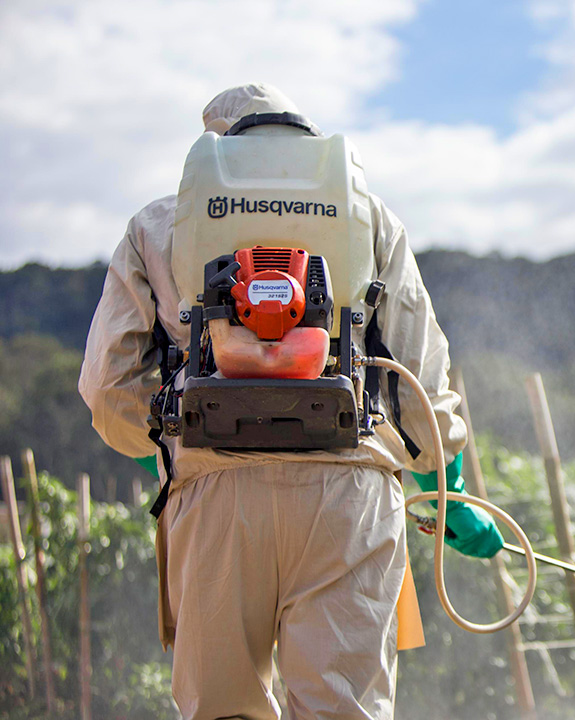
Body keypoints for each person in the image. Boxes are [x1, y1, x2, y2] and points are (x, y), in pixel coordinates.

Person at [79, 83, 503, 720]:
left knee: (225, 711)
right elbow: (422, 388)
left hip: (216, 495)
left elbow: (110, 392)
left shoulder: (158, 225)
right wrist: (452, 493)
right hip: (349, 499)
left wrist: (168, 451)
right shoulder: (369, 218)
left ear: (218, 150)